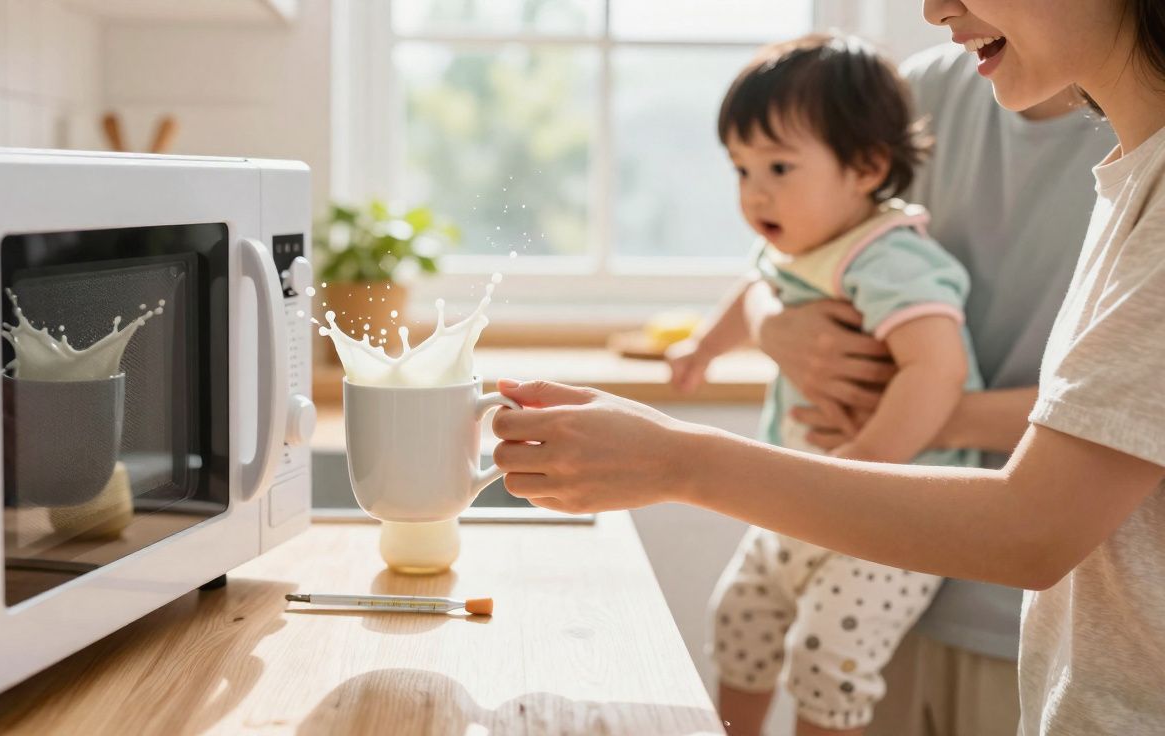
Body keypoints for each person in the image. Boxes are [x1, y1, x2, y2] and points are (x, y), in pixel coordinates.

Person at [490, 1, 1165, 733]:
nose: (934, 8)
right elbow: (792, 271)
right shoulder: (1124, 172)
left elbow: (1034, 527)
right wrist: (769, 330)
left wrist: (678, 461)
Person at [736, 41, 1117, 736]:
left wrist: (924, 416)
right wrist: (773, 327)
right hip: (877, 570)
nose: (933, 8)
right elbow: (796, 255)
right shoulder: (928, 87)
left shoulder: (1142, 141)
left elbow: (1133, 407)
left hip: (1044, 622)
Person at [665, 33, 982, 736]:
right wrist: (703, 350)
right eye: (741, 170)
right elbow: (754, 285)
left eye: (778, 166)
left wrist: (867, 463)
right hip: (806, 496)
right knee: (739, 618)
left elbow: (939, 369)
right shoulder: (799, 245)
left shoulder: (891, 257)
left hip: (893, 516)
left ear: (867, 167)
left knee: (826, 658)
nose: (755, 193)